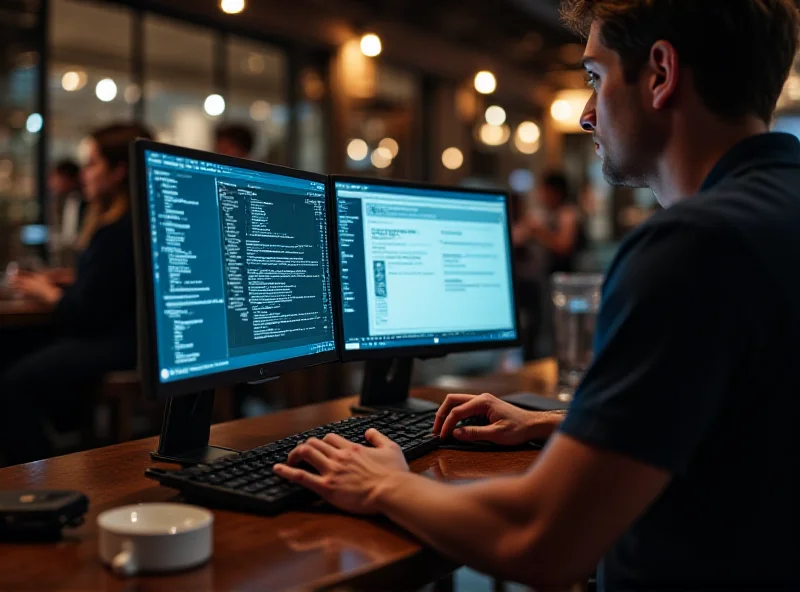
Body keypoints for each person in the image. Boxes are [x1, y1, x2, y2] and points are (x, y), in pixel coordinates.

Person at [273, 1, 800, 590]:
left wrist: (383, 483)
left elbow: (543, 541)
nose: (585, 114)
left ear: (660, 73)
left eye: (595, 78)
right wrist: (558, 421)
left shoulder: (691, 248)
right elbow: (743, 419)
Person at [0, 122, 153, 466]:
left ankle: (35, 477)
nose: (84, 173)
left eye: (92, 163)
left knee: (12, 382)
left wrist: (46, 292)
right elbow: (114, 285)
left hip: (119, 345)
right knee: (13, 350)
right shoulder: (128, 222)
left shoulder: (118, 229)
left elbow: (86, 315)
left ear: (118, 171)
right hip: (121, 336)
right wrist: (71, 279)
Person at [513, 172, 585, 275]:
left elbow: (564, 246)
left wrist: (538, 231)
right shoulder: (546, 213)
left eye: (544, 191)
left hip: (563, 275)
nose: (541, 194)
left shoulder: (568, 213)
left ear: (555, 192)